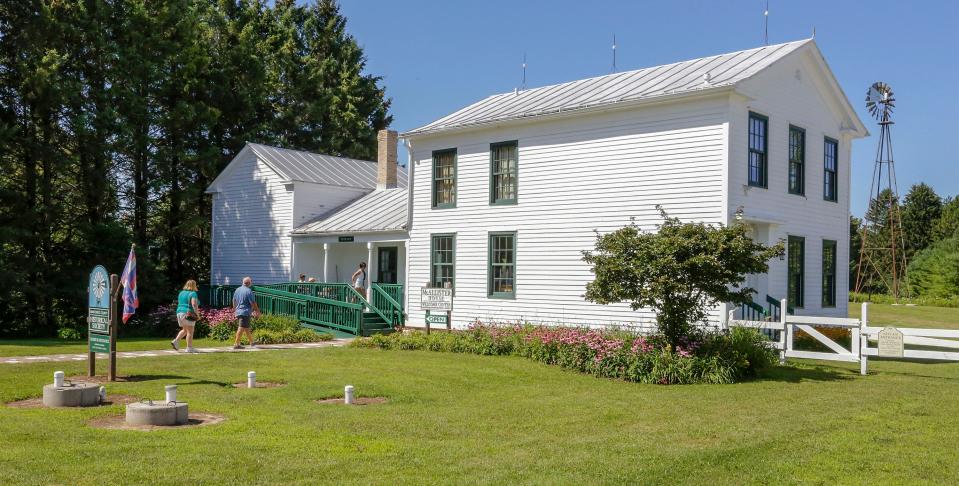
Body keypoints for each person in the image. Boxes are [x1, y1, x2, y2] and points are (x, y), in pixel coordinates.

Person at [172, 280, 201, 353]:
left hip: (179, 312)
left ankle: (176, 341)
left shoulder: (181, 293)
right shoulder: (193, 293)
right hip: (188, 313)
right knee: (190, 332)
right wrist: (197, 314)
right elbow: (194, 304)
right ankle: (189, 348)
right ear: (194, 285)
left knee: (185, 330)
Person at [232, 277, 260, 349]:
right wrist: (257, 311)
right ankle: (236, 344)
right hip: (245, 312)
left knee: (246, 327)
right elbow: (253, 302)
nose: (251, 283)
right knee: (241, 327)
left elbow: (234, 300)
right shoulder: (248, 291)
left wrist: (234, 309)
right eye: (251, 281)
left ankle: (252, 342)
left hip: (238, 311)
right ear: (249, 283)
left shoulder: (237, 290)